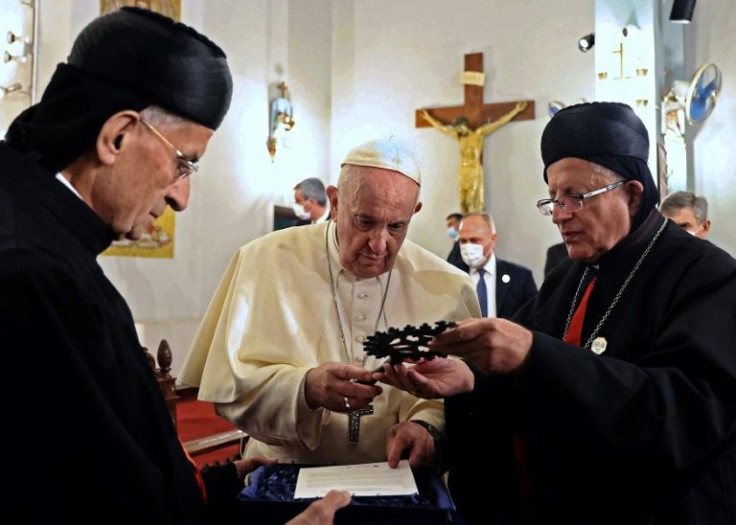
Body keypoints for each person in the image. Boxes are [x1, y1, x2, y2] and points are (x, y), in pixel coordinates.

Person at [0, 7, 350, 523]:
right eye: (183, 162)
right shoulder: (34, 276)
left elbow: (97, 470)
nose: (182, 197)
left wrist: (210, 485)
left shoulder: (35, 228)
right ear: (118, 136)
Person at [375, 102, 736, 524]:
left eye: (576, 197)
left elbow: (682, 420)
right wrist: (470, 381)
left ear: (633, 194)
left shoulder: (708, 276)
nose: (560, 216)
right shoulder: (571, 277)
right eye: (552, 199)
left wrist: (534, 354)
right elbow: (521, 387)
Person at [179, 138, 481, 469]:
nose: (379, 244)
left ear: (414, 213)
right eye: (365, 222)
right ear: (335, 203)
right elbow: (229, 393)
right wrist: (305, 389)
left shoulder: (448, 286)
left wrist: (427, 427)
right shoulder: (263, 260)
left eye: (396, 226)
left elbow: (458, 391)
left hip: (397, 480)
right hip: (283, 473)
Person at [420, 101, 527, 214]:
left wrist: (516, 110)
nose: (459, 131)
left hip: (474, 170)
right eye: (457, 129)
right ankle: (465, 224)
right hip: (462, 171)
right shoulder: (460, 137)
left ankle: (474, 223)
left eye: (460, 128)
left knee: (473, 201)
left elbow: (499, 123)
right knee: (463, 201)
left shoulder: (479, 134)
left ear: (465, 125)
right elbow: (442, 128)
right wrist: (428, 117)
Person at [451, 212, 537, 320]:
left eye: (474, 240)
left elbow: (534, 320)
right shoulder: (451, 275)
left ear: (492, 239)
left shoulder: (521, 277)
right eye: (463, 241)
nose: (468, 246)